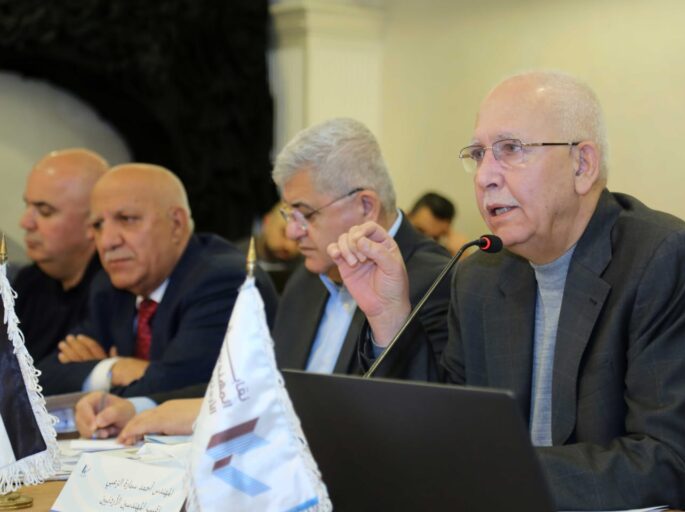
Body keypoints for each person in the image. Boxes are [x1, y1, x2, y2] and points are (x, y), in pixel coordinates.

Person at [327, 71, 685, 510]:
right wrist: (389, 315)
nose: (484, 176)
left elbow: (665, 464)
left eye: (511, 149)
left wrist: (498, 474)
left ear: (582, 165)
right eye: (478, 154)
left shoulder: (663, 259)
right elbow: (446, 428)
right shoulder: (481, 276)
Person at [75, 118, 452, 442]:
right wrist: (142, 407)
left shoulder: (434, 282)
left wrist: (205, 418)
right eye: (289, 215)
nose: (291, 233)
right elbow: (263, 389)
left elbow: (416, 423)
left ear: (365, 206)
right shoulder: (308, 279)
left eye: (305, 214)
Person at [37, 163, 278, 397]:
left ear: (176, 224)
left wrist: (99, 378)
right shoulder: (109, 287)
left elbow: (179, 388)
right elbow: (40, 380)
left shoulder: (223, 280)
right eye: (98, 225)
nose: (107, 241)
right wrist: (112, 369)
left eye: (127, 219)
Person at [14, 148, 108, 363]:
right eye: (28, 205)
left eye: (45, 211)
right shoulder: (29, 280)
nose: (25, 222)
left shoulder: (112, 294)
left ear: (93, 222)